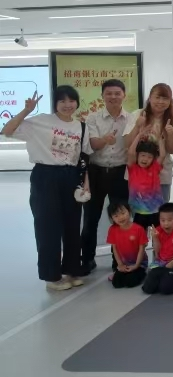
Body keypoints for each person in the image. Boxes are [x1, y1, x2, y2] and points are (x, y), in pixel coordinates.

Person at [1, 87, 92, 291]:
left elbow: (83, 157)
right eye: (62, 101)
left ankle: (71, 270)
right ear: (55, 103)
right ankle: (52, 277)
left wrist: (85, 183)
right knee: (47, 226)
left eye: (71, 101)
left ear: (77, 103)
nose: (67, 105)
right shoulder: (41, 121)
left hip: (71, 176)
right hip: (45, 175)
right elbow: (7, 130)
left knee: (72, 225)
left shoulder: (81, 126)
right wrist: (26, 110)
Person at [82, 79, 129, 275]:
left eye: (117, 93)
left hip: (121, 173)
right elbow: (93, 144)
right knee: (90, 218)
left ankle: (118, 260)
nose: (113, 97)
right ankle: (87, 259)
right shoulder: (93, 118)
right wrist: (105, 140)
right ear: (102, 96)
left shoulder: (131, 119)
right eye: (109, 93)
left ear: (124, 95)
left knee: (121, 219)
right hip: (96, 172)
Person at [123, 83, 173, 202]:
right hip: (137, 175)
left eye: (165, 98)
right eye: (157, 97)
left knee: (161, 211)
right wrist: (137, 126)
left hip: (161, 175)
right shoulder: (137, 114)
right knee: (138, 210)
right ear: (150, 98)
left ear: (170, 101)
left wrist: (170, 135)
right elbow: (126, 144)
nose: (161, 101)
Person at [142, 203, 173, 295]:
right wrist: (155, 238)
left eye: (170, 220)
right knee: (147, 288)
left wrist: (172, 263)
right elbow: (157, 252)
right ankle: (165, 276)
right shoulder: (158, 230)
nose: (166, 223)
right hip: (161, 263)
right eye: (163, 220)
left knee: (166, 288)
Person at [126, 132, 167, 229]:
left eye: (149, 157)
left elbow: (162, 155)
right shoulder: (133, 168)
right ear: (137, 156)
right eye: (143, 155)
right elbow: (131, 152)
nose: (145, 159)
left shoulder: (155, 168)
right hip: (138, 210)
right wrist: (138, 135)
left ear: (153, 159)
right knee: (139, 234)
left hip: (155, 210)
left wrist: (159, 139)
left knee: (158, 233)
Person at [106, 202, 148, 289]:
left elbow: (142, 249)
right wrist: (120, 264)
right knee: (116, 284)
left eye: (123, 213)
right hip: (125, 264)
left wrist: (136, 265)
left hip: (139, 264)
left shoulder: (138, 229)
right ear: (112, 218)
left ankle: (143, 273)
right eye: (116, 216)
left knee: (130, 282)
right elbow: (115, 249)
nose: (120, 217)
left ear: (129, 211)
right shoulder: (112, 230)